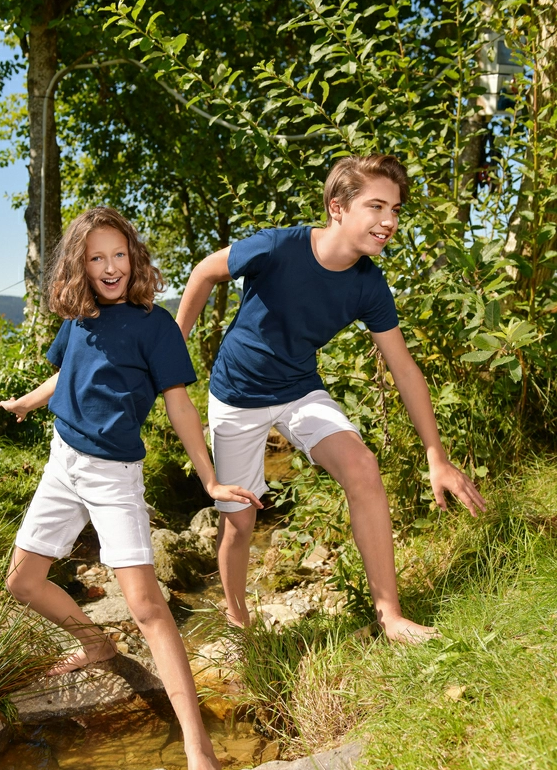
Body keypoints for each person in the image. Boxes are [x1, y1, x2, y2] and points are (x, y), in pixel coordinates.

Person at [0, 206, 261, 770]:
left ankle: (199, 749)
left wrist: (210, 478)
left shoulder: (154, 325)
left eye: (119, 254)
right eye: (97, 258)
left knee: (147, 608)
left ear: (134, 258)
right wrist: (29, 402)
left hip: (114, 475)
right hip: (62, 461)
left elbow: (180, 405)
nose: (110, 266)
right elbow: (67, 374)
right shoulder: (78, 318)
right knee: (22, 581)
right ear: (80, 266)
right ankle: (95, 644)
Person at [176, 154, 486, 641]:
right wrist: (175, 350)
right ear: (337, 207)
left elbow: (404, 369)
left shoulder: (368, 284)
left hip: (299, 389)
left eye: (396, 210)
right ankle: (237, 621)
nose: (389, 221)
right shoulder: (278, 246)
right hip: (237, 395)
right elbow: (204, 271)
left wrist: (436, 456)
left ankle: (390, 618)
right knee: (240, 521)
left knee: (362, 466)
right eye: (376, 206)